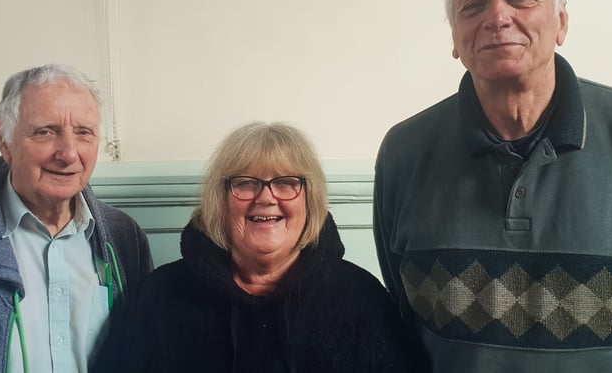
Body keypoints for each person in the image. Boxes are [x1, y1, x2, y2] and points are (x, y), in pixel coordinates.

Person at [373, 0, 612, 373]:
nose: (498, 16)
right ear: (455, 36)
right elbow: (404, 320)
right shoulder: (404, 153)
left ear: (562, 21)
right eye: (473, 5)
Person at [94, 121, 418, 373]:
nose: (266, 197)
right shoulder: (157, 298)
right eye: (245, 183)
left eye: (287, 182)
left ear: (310, 198)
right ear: (220, 201)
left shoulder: (363, 300)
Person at [0, 64, 153, 373]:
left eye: (84, 132)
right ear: (4, 140)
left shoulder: (124, 237)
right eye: (46, 131)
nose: (69, 153)